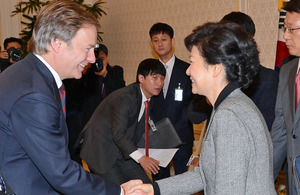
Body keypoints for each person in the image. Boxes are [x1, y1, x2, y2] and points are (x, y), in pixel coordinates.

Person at [0, 1, 138, 194]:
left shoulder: (26, 73)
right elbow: (62, 174)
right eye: (87, 49)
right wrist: (119, 192)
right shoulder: (35, 95)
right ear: (57, 43)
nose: (92, 58)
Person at [128, 22, 276, 194]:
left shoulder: (229, 115)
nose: (188, 71)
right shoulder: (230, 104)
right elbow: (205, 175)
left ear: (215, 68)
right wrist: (154, 189)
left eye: (192, 62)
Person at [79, 58, 165, 185]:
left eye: (162, 78)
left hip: (123, 150)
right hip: (102, 151)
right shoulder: (125, 98)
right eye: (155, 78)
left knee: (146, 187)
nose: (159, 83)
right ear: (141, 78)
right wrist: (141, 158)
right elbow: (118, 133)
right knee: (120, 191)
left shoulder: (149, 99)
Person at [188, 12, 279, 132]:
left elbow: (266, 124)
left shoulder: (267, 78)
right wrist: (210, 98)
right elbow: (194, 116)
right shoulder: (214, 73)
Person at [149, 22, 194, 180]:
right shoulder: (148, 70)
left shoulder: (187, 70)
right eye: (155, 40)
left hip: (182, 137)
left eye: (164, 39)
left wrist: (173, 131)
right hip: (157, 138)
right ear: (152, 44)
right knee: (160, 182)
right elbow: (146, 103)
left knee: (183, 181)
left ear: (172, 41)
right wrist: (157, 130)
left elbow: (190, 104)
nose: (160, 43)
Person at [271, 0, 300, 194]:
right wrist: (263, 177)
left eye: (291, 29)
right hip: (294, 179)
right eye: (284, 28)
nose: (285, 36)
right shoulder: (287, 70)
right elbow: (281, 130)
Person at [81, 43, 126, 128]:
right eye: (96, 60)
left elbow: (121, 90)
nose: (99, 63)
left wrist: (105, 74)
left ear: (107, 58)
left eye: (102, 59)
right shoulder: (89, 74)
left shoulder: (116, 70)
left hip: (112, 116)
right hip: (93, 118)